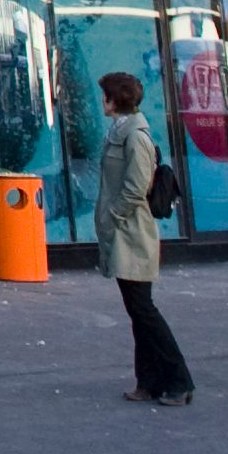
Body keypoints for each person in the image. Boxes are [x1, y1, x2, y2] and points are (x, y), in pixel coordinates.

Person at [94, 71, 193, 403]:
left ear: (114, 99)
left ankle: (179, 381)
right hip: (125, 231)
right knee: (138, 311)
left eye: (104, 95)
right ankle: (149, 381)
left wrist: (113, 216)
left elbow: (136, 187)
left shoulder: (134, 136)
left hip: (132, 233)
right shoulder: (122, 131)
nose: (102, 101)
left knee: (143, 309)